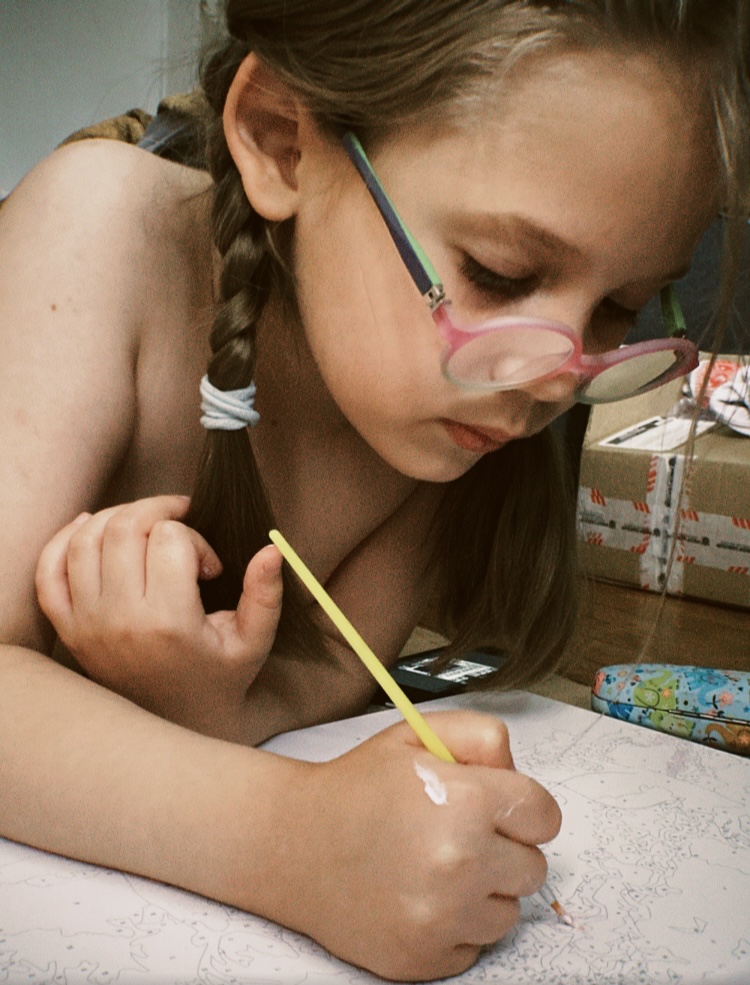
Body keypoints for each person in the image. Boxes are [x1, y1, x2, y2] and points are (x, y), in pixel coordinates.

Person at [0, 1, 748, 979]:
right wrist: (289, 840)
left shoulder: (445, 426)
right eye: (498, 273)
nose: (553, 381)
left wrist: (198, 705)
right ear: (282, 140)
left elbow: (314, 686)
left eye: (619, 307)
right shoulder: (96, 227)